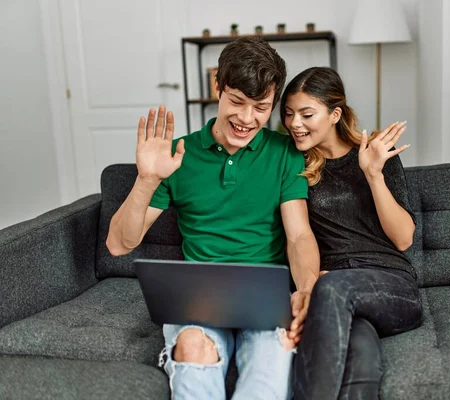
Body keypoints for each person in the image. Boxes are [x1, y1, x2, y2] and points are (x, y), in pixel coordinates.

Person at [106, 37, 320, 400]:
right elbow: (118, 243)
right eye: (237, 102)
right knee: (192, 346)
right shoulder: (179, 155)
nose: (247, 118)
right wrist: (147, 179)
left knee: (272, 363)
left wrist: (306, 289)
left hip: (266, 301)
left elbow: (299, 237)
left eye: (261, 107)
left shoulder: (286, 154)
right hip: (198, 302)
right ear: (217, 87)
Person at [281, 67, 423, 400]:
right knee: (360, 351)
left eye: (306, 114)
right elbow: (300, 237)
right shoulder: (294, 164)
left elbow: (403, 239)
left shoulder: (375, 153)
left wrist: (373, 174)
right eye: (288, 114)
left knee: (329, 287)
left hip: (391, 286)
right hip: (335, 293)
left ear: (335, 114)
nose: (294, 123)